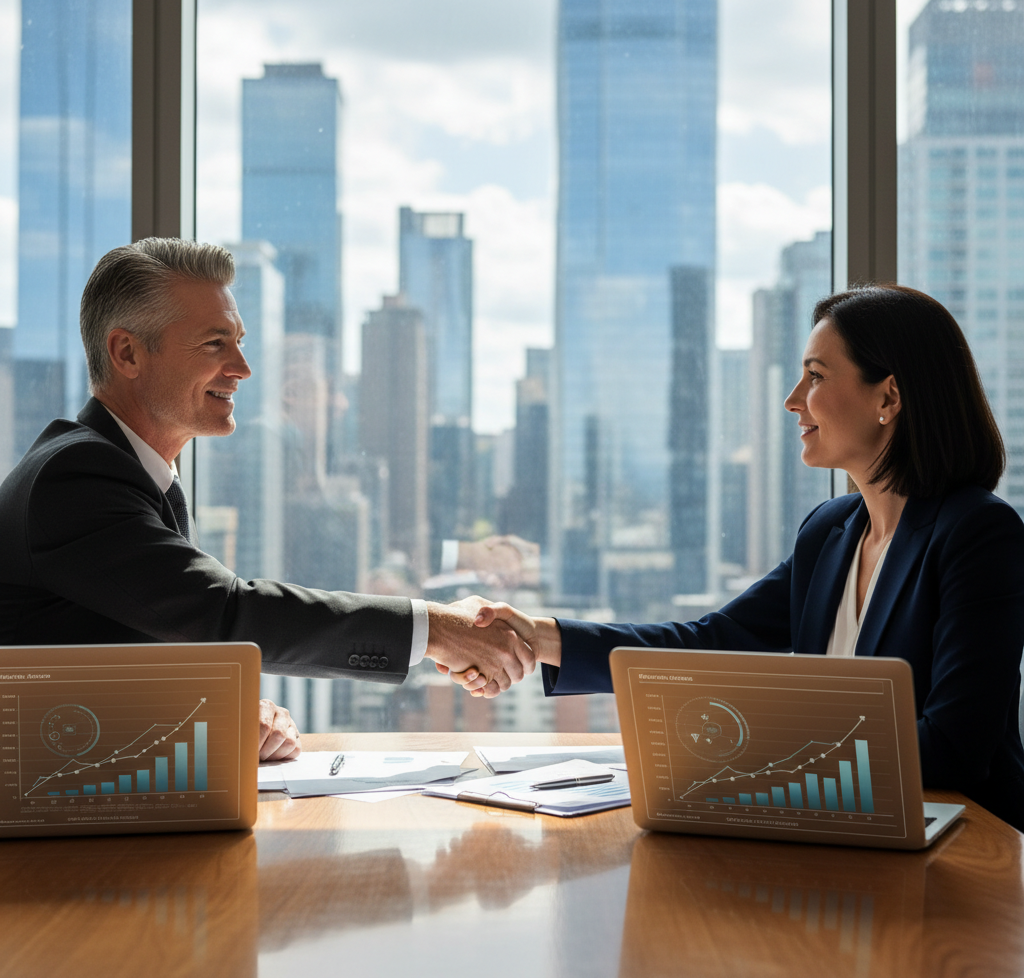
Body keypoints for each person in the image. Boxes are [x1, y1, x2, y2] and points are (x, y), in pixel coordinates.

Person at [450, 285, 1024, 829]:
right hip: (844, 826)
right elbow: (711, 642)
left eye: (816, 376)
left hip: (964, 848)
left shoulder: (976, 533)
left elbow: (953, 748)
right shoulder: (831, 532)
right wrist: (537, 634)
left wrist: (759, 752)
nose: (792, 400)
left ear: (889, 397)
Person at [0, 238, 533, 759]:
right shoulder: (76, 477)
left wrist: (223, 709)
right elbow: (222, 611)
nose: (242, 367)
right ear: (127, 353)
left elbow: (126, 648)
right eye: (214, 344)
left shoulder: (130, 473)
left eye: (239, 341)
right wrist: (435, 628)